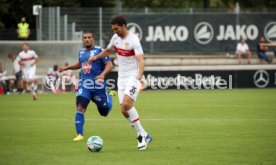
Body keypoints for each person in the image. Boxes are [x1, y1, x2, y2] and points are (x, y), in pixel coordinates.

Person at [88, 15, 152, 151]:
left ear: (123, 26)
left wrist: (139, 75)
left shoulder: (134, 40)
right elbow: (108, 50)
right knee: (123, 110)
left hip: (133, 76)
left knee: (127, 104)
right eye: (113, 29)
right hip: (121, 78)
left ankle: (142, 136)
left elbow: (140, 59)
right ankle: (144, 134)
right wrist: (95, 57)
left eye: (116, 28)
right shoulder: (115, 38)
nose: (115, 31)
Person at [59, 31, 114, 141]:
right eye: (85, 38)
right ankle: (80, 134)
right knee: (80, 107)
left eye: (89, 37)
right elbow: (80, 64)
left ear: (93, 39)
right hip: (84, 85)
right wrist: (67, 68)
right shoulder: (81, 52)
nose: (87, 39)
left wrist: (102, 75)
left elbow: (109, 64)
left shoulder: (100, 51)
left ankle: (109, 94)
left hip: (98, 86)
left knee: (104, 112)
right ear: (82, 40)